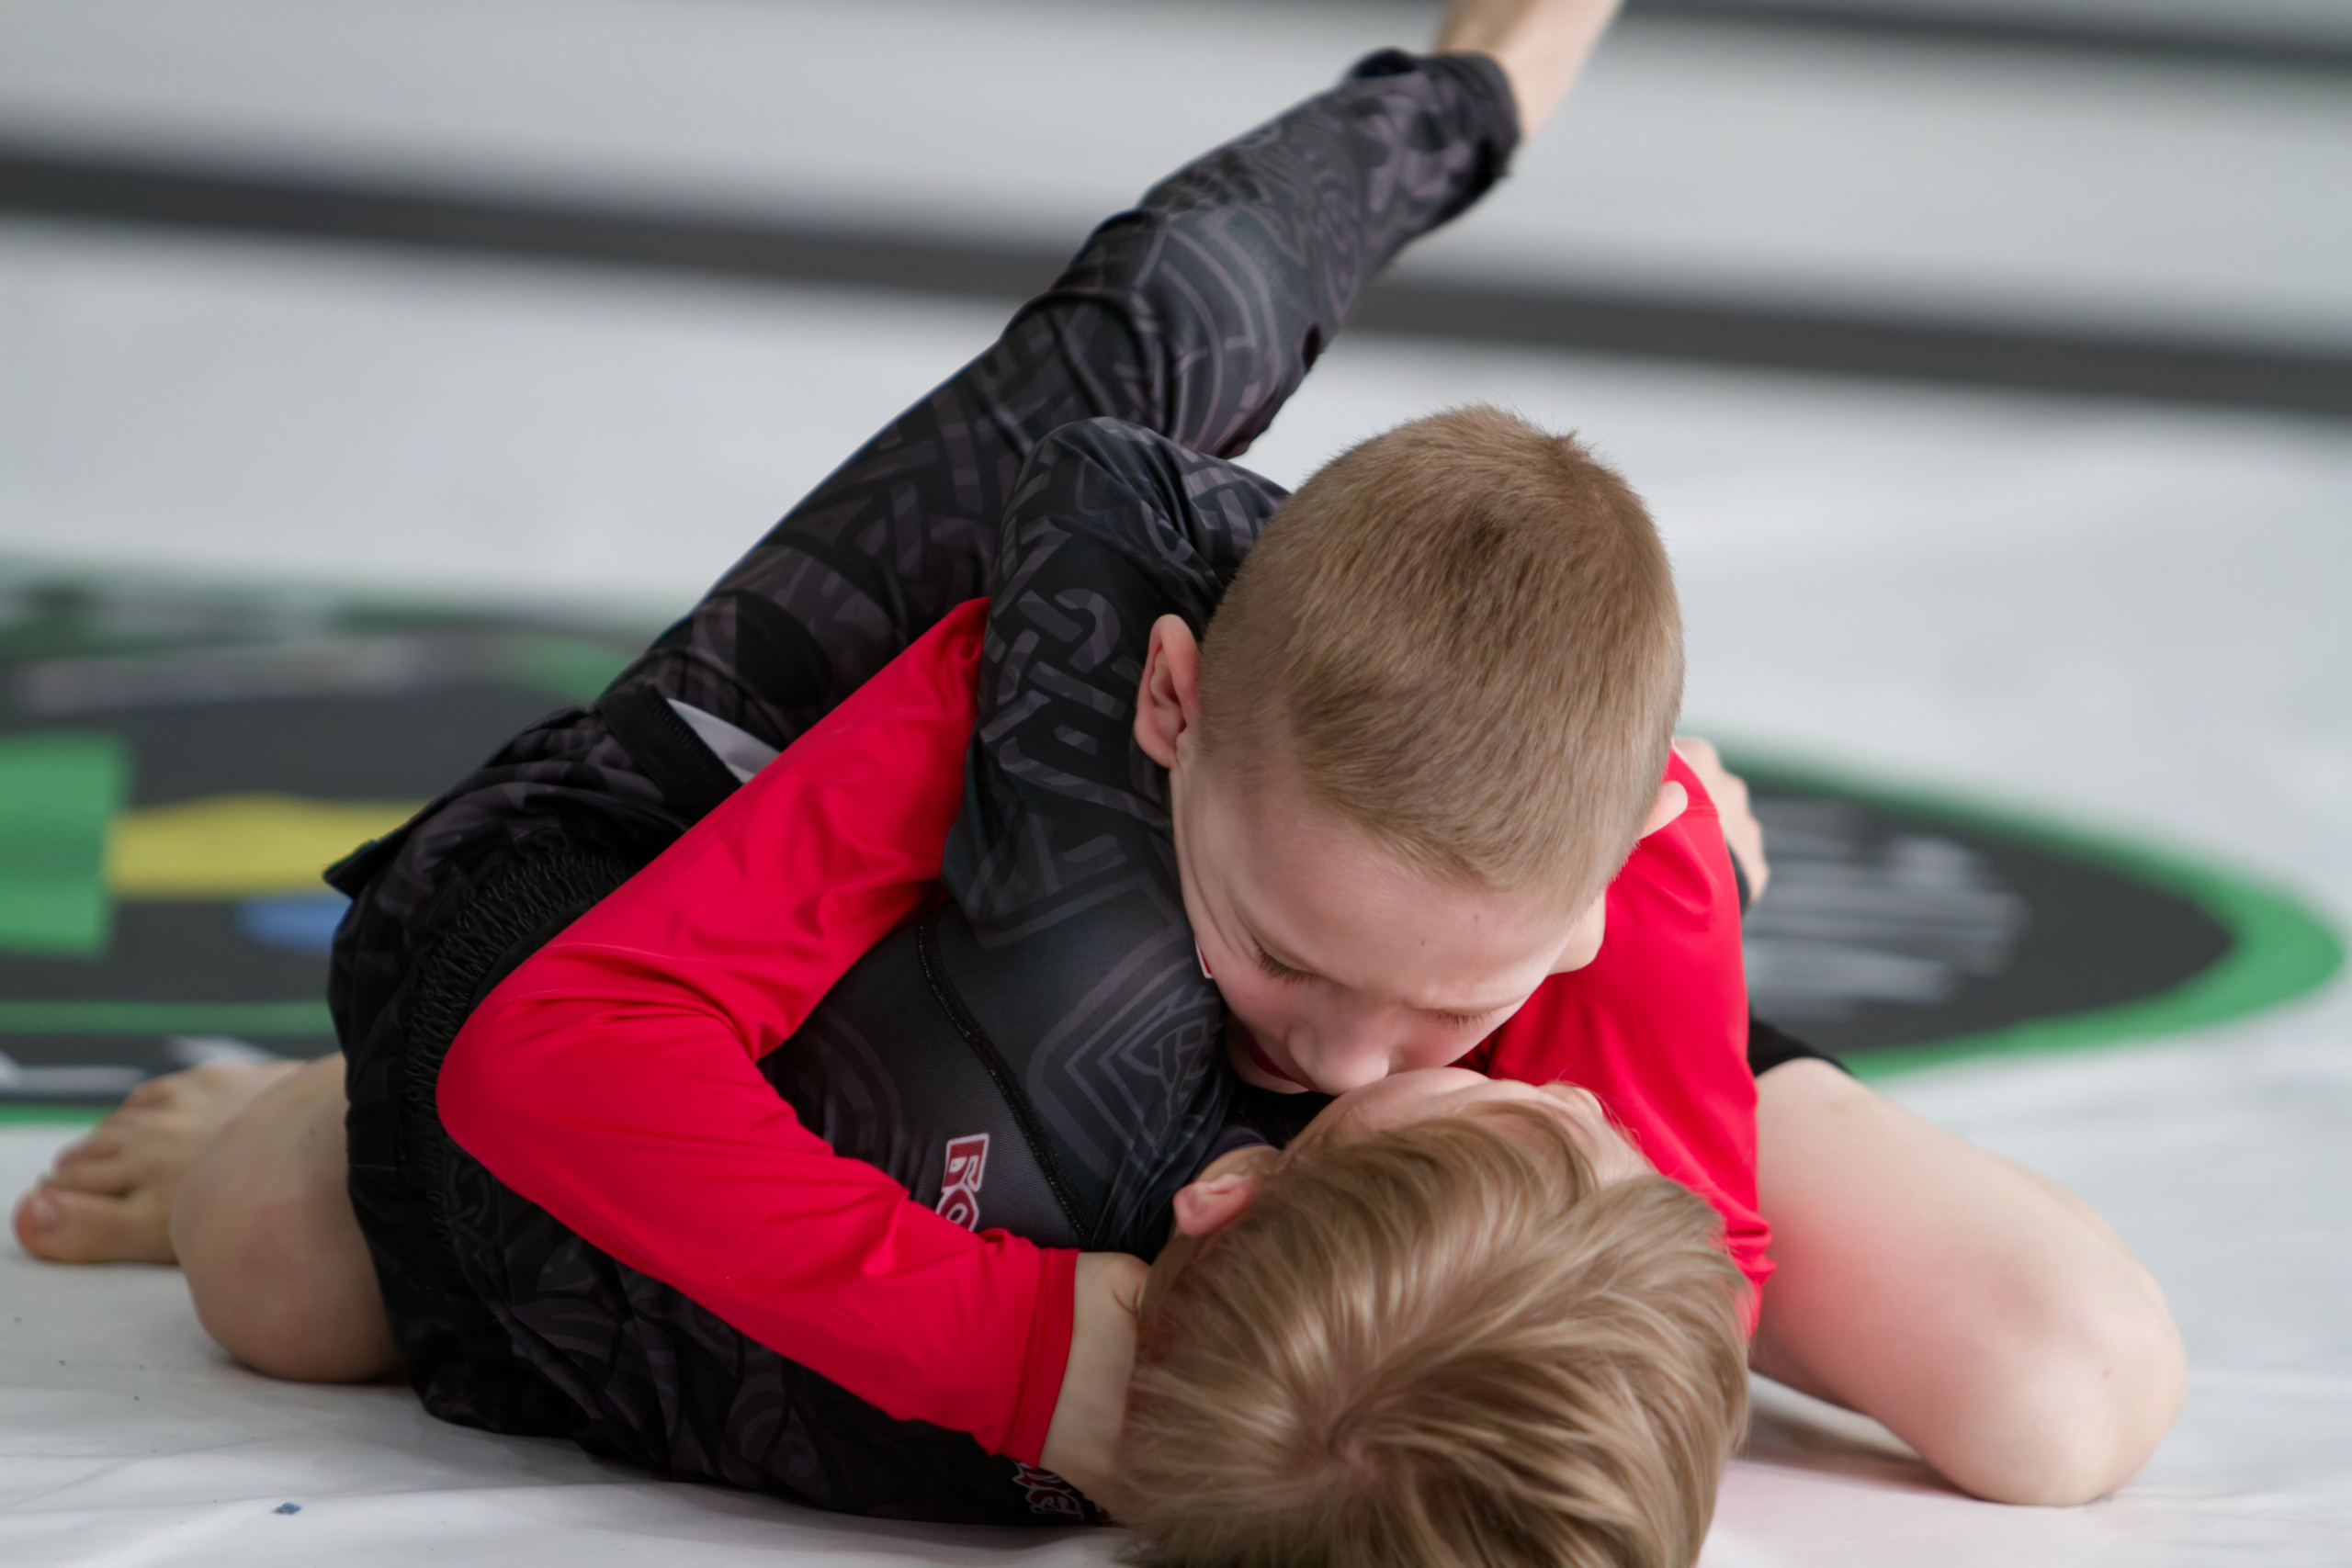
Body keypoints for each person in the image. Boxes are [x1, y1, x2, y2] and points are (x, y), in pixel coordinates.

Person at [15, 0, 2181, 1523]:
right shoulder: (1019, 685)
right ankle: (305, 1105)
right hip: (898, 966)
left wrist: (1546, 1274)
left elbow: (1640, 1236)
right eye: (1293, 969)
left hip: (1446, 943)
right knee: (301, 1253)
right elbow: (1203, 281)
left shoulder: (1531, 928)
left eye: (1447, 1021)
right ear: (1163, 703)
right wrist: (1028, 1342)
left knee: (2060, 1384)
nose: (1340, 1060)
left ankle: (1429, 960)